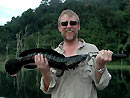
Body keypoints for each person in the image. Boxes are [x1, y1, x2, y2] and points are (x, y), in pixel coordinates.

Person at [34, 9, 113, 98]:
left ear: (78, 26)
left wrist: (100, 66)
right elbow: (47, 90)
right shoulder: (53, 54)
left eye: (73, 23)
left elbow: (102, 85)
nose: (68, 26)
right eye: (64, 24)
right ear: (59, 27)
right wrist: (45, 72)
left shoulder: (93, 50)